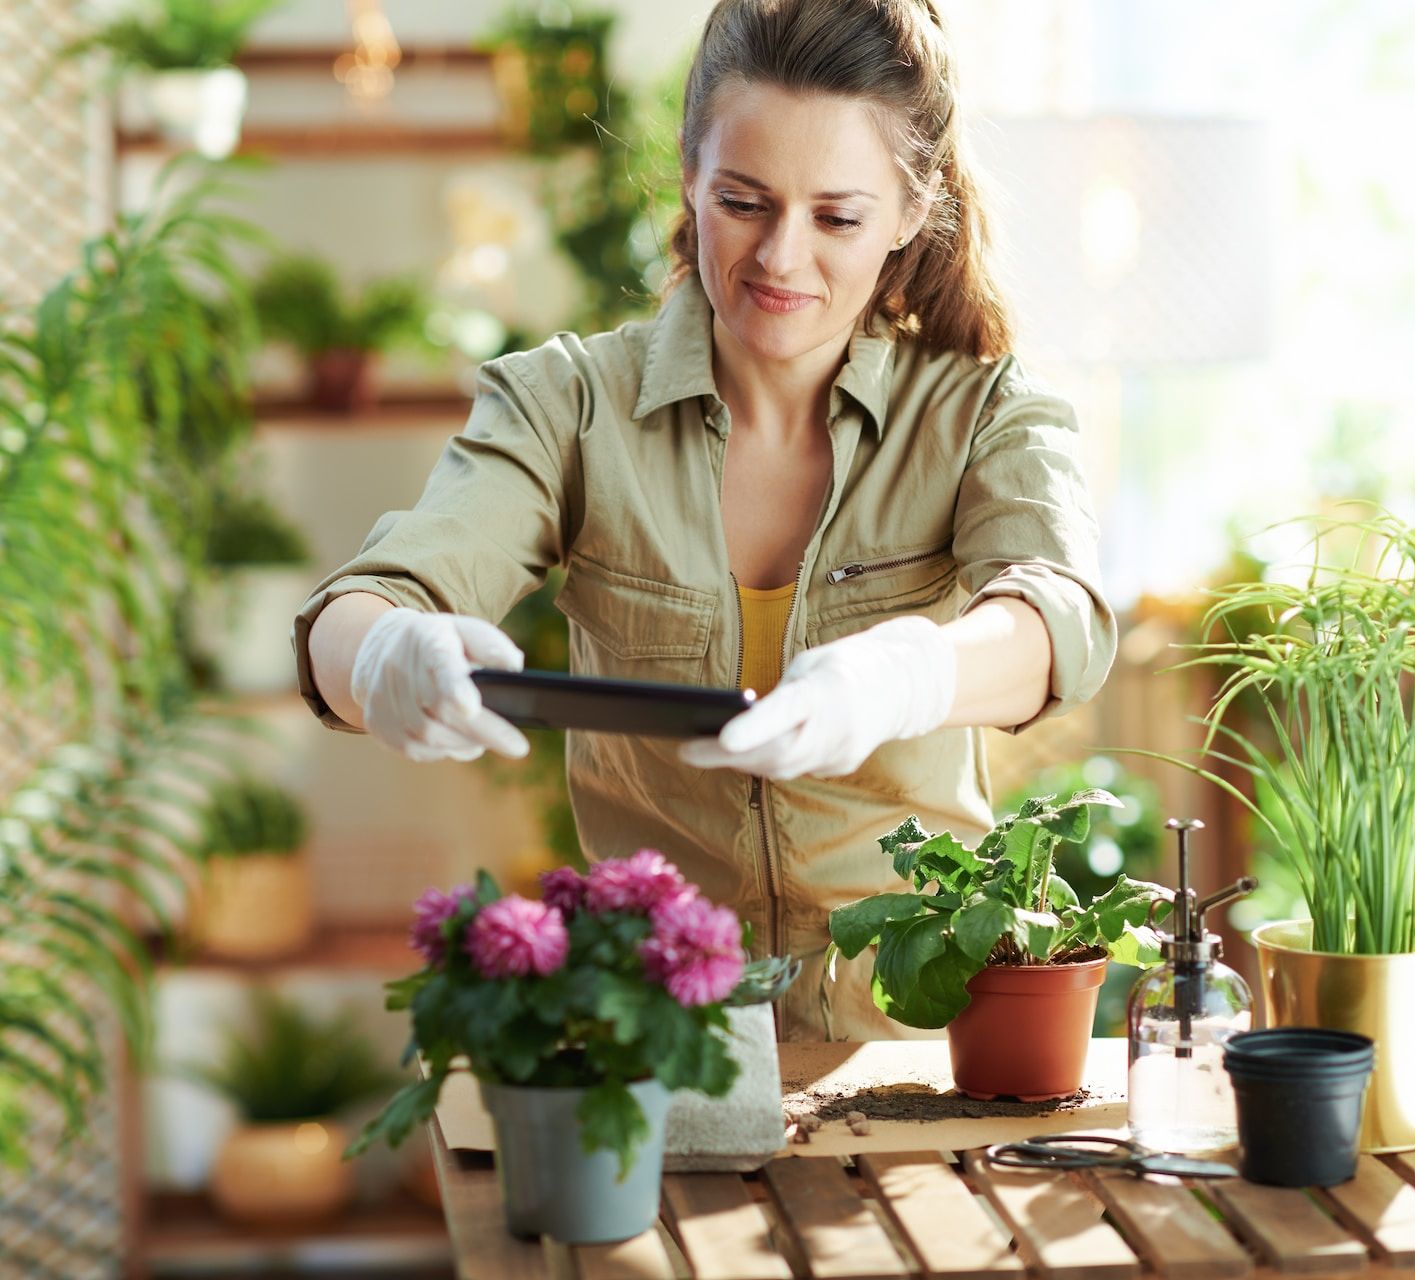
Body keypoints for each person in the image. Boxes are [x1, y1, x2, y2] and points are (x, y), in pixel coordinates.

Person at [292, 0, 1115, 1041]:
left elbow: (1059, 622)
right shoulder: (569, 405)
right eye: (744, 200)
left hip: (923, 1046)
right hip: (659, 1046)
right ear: (689, 173)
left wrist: (907, 673)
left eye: (838, 217)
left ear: (913, 209)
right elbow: (360, 607)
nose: (781, 256)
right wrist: (381, 657)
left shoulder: (986, 411)